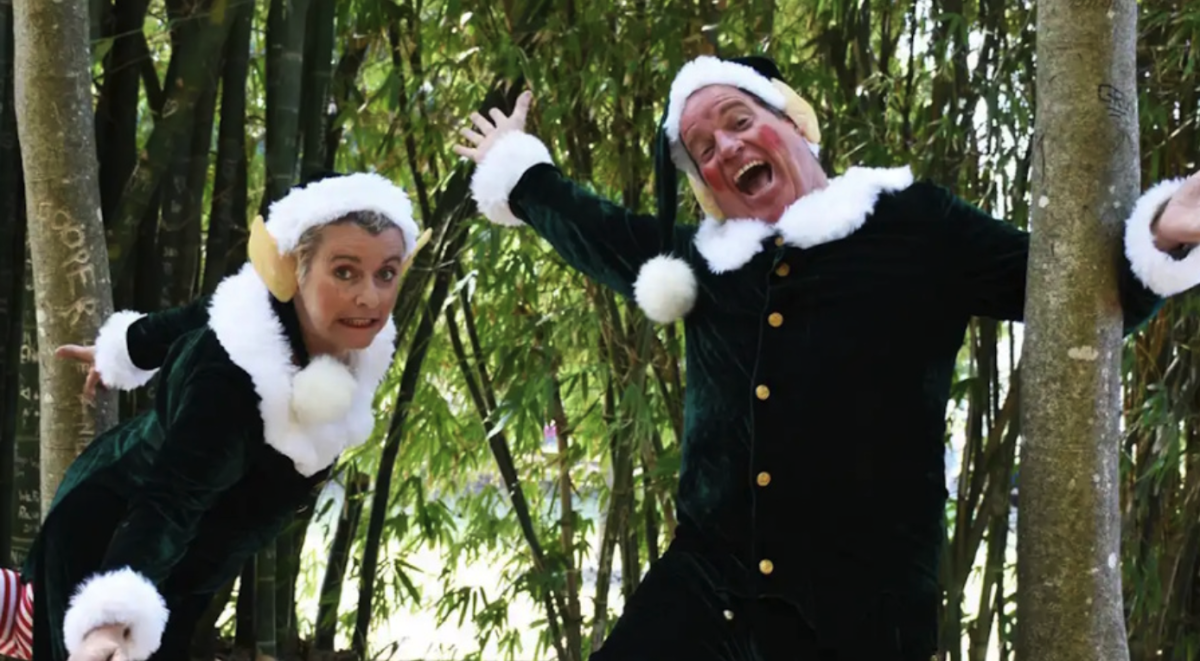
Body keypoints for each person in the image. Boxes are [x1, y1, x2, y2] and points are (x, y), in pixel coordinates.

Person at [454, 55, 1200, 660]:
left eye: (738, 122)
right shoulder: (701, 265)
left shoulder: (914, 224)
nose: (726, 149)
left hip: (861, 615)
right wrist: (517, 170)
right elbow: (589, 224)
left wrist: (1166, 230)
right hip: (704, 592)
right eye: (704, 150)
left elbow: (1070, 293)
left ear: (795, 125)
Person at [0, 171, 429, 661]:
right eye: (346, 272)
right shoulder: (232, 385)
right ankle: (32, 615)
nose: (370, 297)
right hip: (115, 549)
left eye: (387, 273)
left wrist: (123, 348)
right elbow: (168, 505)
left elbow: (198, 314)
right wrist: (108, 621)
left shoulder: (284, 314)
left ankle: (23, 614)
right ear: (293, 269)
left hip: (187, 568)